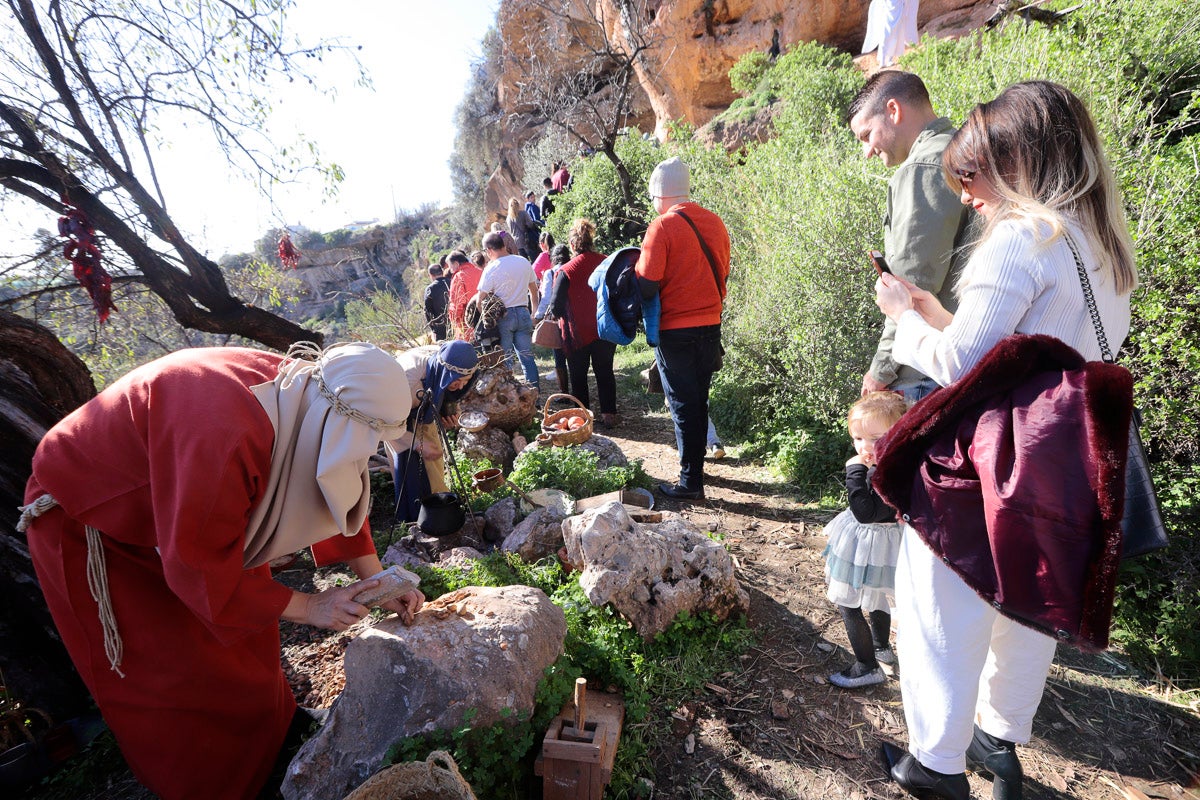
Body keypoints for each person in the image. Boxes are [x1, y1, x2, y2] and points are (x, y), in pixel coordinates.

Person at [872, 81, 1136, 800]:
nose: (966, 197)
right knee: (1027, 598)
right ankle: (1000, 737)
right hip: (1069, 455)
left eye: (971, 177)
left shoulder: (1023, 236)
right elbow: (1028, 344)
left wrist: (902, 316)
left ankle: (936, 763)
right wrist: (939, 314)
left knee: (940, 597)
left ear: (1015, 162)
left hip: (994, 452)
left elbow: (964, 364)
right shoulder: (1105, 246)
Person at [18, 342, 426, 800]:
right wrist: (311, 606)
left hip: (190, 506)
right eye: (365, 443)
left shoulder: (311, 393)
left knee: (249, 641)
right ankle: (220, 786)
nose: (365, 456)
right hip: (94, 518)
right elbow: (198, 570)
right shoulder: (226, 434)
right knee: (168, 667)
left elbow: (335, 478)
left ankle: (277, 741)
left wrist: (374, 579)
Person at [847, 70, 974, 403]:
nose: (867, 151)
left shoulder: (923, 167)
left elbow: (912, 288)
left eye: (866, 135)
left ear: (893, 110)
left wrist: (880, 372)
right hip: (958, 357)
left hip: (924, 372)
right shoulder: (961, 149)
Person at [636, 156, 730, 501]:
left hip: (675, 330)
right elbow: (723, 271)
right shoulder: (715, 222)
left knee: (682, 405)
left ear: (660, 194)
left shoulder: (661, 227)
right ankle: (695, 470)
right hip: (711, 325)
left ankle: (691, 482)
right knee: (698, 401)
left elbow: (647, 284)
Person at [821, 391, 907, 688]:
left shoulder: (890, 473)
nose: (864, 447)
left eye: (875, 438)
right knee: (877, 594)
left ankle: (866, 666)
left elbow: (865, 513)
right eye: (858, 438)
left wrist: (855, 471)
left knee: (848, 601)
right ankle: (881, 647)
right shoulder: (896, 462)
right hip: (883, 542)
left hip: (871, 541)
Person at [386, 341, 479, 521]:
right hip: (395, 421)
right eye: (457, 381)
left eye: (466, 381)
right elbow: (385, 426)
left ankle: (439, 507)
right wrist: (415, 444)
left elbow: (442, 389)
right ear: (446, 373)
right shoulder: (407, 383)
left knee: (433, 462)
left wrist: (446, 412)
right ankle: (416, 518)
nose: (461, 387)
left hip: (421, 406)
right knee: (409, 468)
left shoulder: (444, 364)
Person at [550, 218, 618, 426]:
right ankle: (609, 414)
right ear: (591, 240)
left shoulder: (565, 271)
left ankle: (581, 419)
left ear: (572, 245)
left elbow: (556, 306)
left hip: (577, 333)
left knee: (578, 375)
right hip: (604, 328)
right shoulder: (607, 262)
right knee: (605, 371)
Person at [474, 230, 540, 388]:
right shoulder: (522, 261)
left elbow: (479, 300)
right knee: (527, 358)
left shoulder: (491, 268)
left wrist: (487, 319)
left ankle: (510, 395)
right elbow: (534, 290)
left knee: (505, 361)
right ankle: (534, 393)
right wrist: (534, 312)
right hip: (523, 313)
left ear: (489, 250)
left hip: (503, 318)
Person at [535, 242, 572, 393]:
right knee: (575, 356)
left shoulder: (550, 273)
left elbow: (547, 299)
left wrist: (538, 316)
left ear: (554, 258)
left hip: (557, 318)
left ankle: (564, 392)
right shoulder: (572, 268)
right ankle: (578, 391)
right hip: (574, 316)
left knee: (559, 357)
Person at [861, 0, 919, 67]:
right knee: (885, 36)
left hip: (899, 11)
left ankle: (889, 59)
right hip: (888, 12)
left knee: (896, 36)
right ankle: (882, 61)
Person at [447, 249, 482, 341]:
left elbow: (457, 304)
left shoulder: (458, 276)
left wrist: (454, 320)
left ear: (456, 264)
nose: (450, 270)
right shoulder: (481, 271)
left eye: (450, 266)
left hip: (468, 323)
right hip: (486, 318)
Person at [422, 263, 452, 341]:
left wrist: (433, 329)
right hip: (457, 323)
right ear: (442, 271)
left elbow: (428, 311)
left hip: (441, 328)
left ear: (431, 275)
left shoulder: (430, 289)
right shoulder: (452, 282)